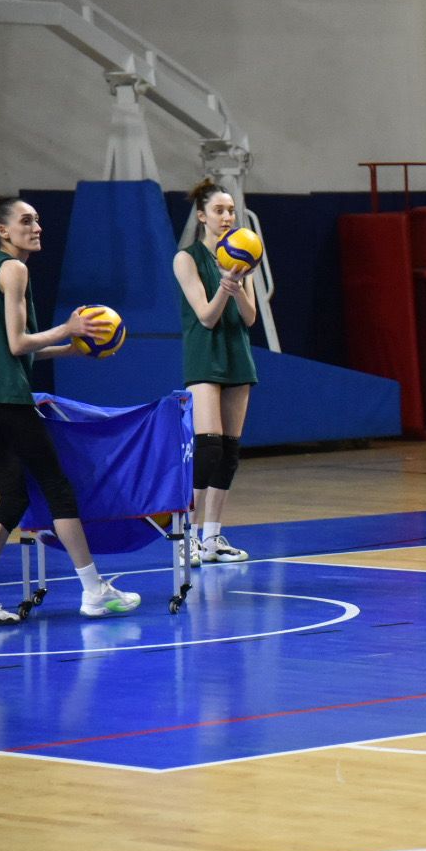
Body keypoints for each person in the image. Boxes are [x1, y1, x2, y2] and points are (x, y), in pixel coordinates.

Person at [0, 194, 143, 624]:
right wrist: (69, 327)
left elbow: (5, 347)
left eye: (38, 219)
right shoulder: (15, 269)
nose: (37, 227)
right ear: (3, 230)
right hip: (6, 397)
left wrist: (69, 348)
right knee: (58, 489)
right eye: (26, 221)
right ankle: (94, 590)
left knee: (13, 495)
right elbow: (17, 343)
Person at [172, 178, 259, 566]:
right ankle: (186, 536)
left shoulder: (243, 256)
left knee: (229, 453)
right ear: (202, 216)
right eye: (219, 210)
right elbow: (206, 317)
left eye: (231, 211)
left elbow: (250, 317)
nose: (227, 217)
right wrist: (226, 286)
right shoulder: (186, 258)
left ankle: (212, 538)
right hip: (205, 356)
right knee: (207, 449)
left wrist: (238, 285)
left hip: (237, 355)